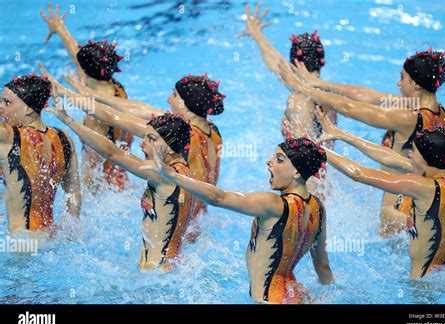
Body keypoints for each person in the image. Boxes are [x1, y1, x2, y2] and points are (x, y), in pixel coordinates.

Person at [277, 49, 445, 237]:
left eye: (403, 78)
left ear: (416, 85)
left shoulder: (407, 118)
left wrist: (301, 87)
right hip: (423, 202)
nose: (398, 84)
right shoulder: (439, 113)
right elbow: (364, 95)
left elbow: (349, 108)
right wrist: (316, 83)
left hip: (397, 212)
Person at [143, 135, 334, 303]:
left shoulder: (273, 204)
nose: (269, 161)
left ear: (297, 172)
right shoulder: (319, 208)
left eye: (279, 159)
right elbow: (323, 268)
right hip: (295, 296)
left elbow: (218, 197)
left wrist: (171, 175)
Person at [60, 71, 225, 241]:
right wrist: (90, 94)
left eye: (174, 95)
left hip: (176, 227)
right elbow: (141, 109)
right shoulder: (211, 129)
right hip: (197, 224)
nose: (169, 99)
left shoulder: (184, 136)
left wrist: (66, 97)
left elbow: (113, 118)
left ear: (185, 103)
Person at [304, 108, 445, 278]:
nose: (409, 154)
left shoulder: (422, 187)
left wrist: (319, 151)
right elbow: (389, 157)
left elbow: (358, 174)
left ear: (426, 159)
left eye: (414, 151)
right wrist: (342, 134)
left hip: (423, 285)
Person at [48, 88, 194, 272]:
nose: (142, 143)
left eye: (152, 139)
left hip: (155, 272)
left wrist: (68, 120)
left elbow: (112, 152)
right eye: (144, 137)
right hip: (171, 267)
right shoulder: (186, 174)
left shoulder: (164, 177)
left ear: (172, 148)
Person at [238, 4, 337, 199]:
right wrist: (258, 36)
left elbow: (307, 158)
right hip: (320, 188)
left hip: (303, 192)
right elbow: (278, 65)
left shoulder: (299, 100)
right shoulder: (328, 95)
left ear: (295, 63)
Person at [41, 3, 134, 191]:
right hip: (122, 179)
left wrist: (84, 196)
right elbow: (78, 56)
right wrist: (59, 27)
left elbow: (93, 167)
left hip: (107, 190)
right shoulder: (116, 89)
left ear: (85, 71)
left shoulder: (95, 117)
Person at [0, 74, 81, 235]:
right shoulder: (63, 138)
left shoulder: (8, 135)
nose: (1, 107)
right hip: (51, 236)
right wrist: (69, 231)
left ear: (29, 108)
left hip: (21, 241)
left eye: (7, 102)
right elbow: (73, 193)